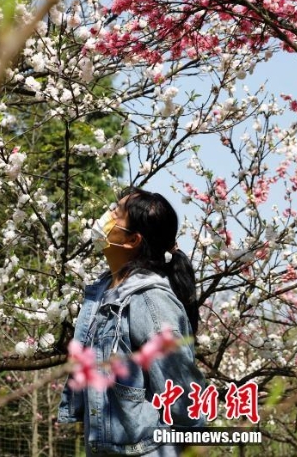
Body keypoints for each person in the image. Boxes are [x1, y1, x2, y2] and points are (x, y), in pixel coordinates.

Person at [57, 187, 206, 456]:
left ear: (133, 240)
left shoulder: (151, 302)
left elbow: (184, 397)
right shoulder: (103, 292)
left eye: (116, 212)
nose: (105, 216)